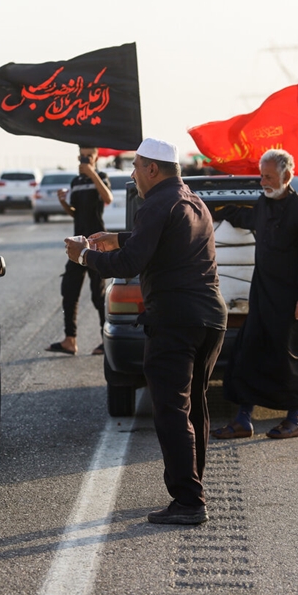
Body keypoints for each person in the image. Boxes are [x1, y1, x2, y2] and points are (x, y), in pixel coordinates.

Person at [65, 138, 227, 525]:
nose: (134, 174)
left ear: (153, 169)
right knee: (194, 406)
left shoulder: (154, 203)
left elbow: (132, 261)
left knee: (171, 409)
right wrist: (115, 238)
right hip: (209, 319)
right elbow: (161, 243)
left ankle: (188, 501)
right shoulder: (191, 200)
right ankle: (193, 489)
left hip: (174, 320)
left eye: (136, 167)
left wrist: (85, 255)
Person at [209, 149, 298, 440]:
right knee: (249, 353)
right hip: (264, 294)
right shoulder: (264, 203)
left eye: (269, 177)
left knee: (290, 358)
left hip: (295, 300)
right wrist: (210, 210)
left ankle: (293, 420)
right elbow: (246, 218)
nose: (263, 182)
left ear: (288, 176)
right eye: (262, 176)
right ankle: (243, 419)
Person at [45, 146, 113, 356]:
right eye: (82, 155)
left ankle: (106, 341)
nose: (85, 158)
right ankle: (69, 340)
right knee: (69, 290)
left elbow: (108, 198)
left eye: (89, 155)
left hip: (95, 243)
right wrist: (63, 202)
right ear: (78, 156)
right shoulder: (75, 182)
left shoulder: (100, 176)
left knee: (97, 294)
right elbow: (75, 213)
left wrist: (91, 172)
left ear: (95, 157)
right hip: (77, 242)